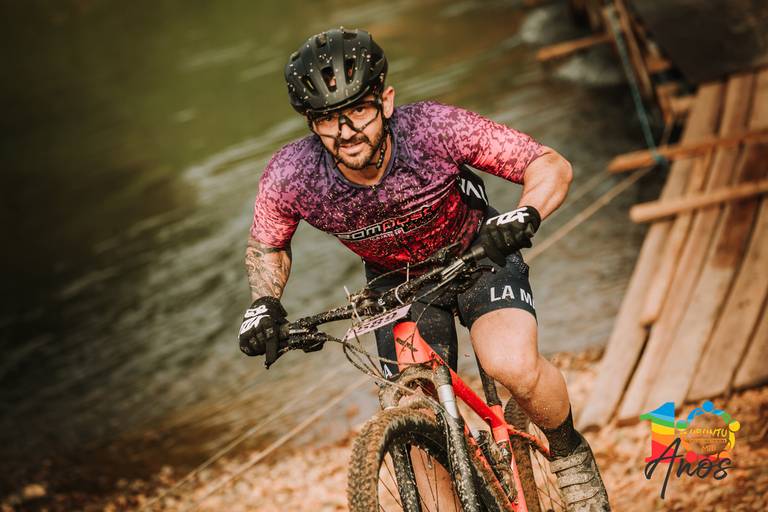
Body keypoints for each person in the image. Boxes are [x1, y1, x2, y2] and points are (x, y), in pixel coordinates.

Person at [238, 27, 610, 511]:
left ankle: (568, 452)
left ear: (386, 101)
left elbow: (547, 164)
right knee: (417, 416)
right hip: (399, 285)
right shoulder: (294, 174)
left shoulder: (434, 129)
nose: (346, 131)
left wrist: (526, 213)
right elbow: (268, 244)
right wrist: (264, 304)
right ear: (312, 125)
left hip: (479, 254)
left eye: (358, 110)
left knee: (511, 366)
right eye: (328, 118)